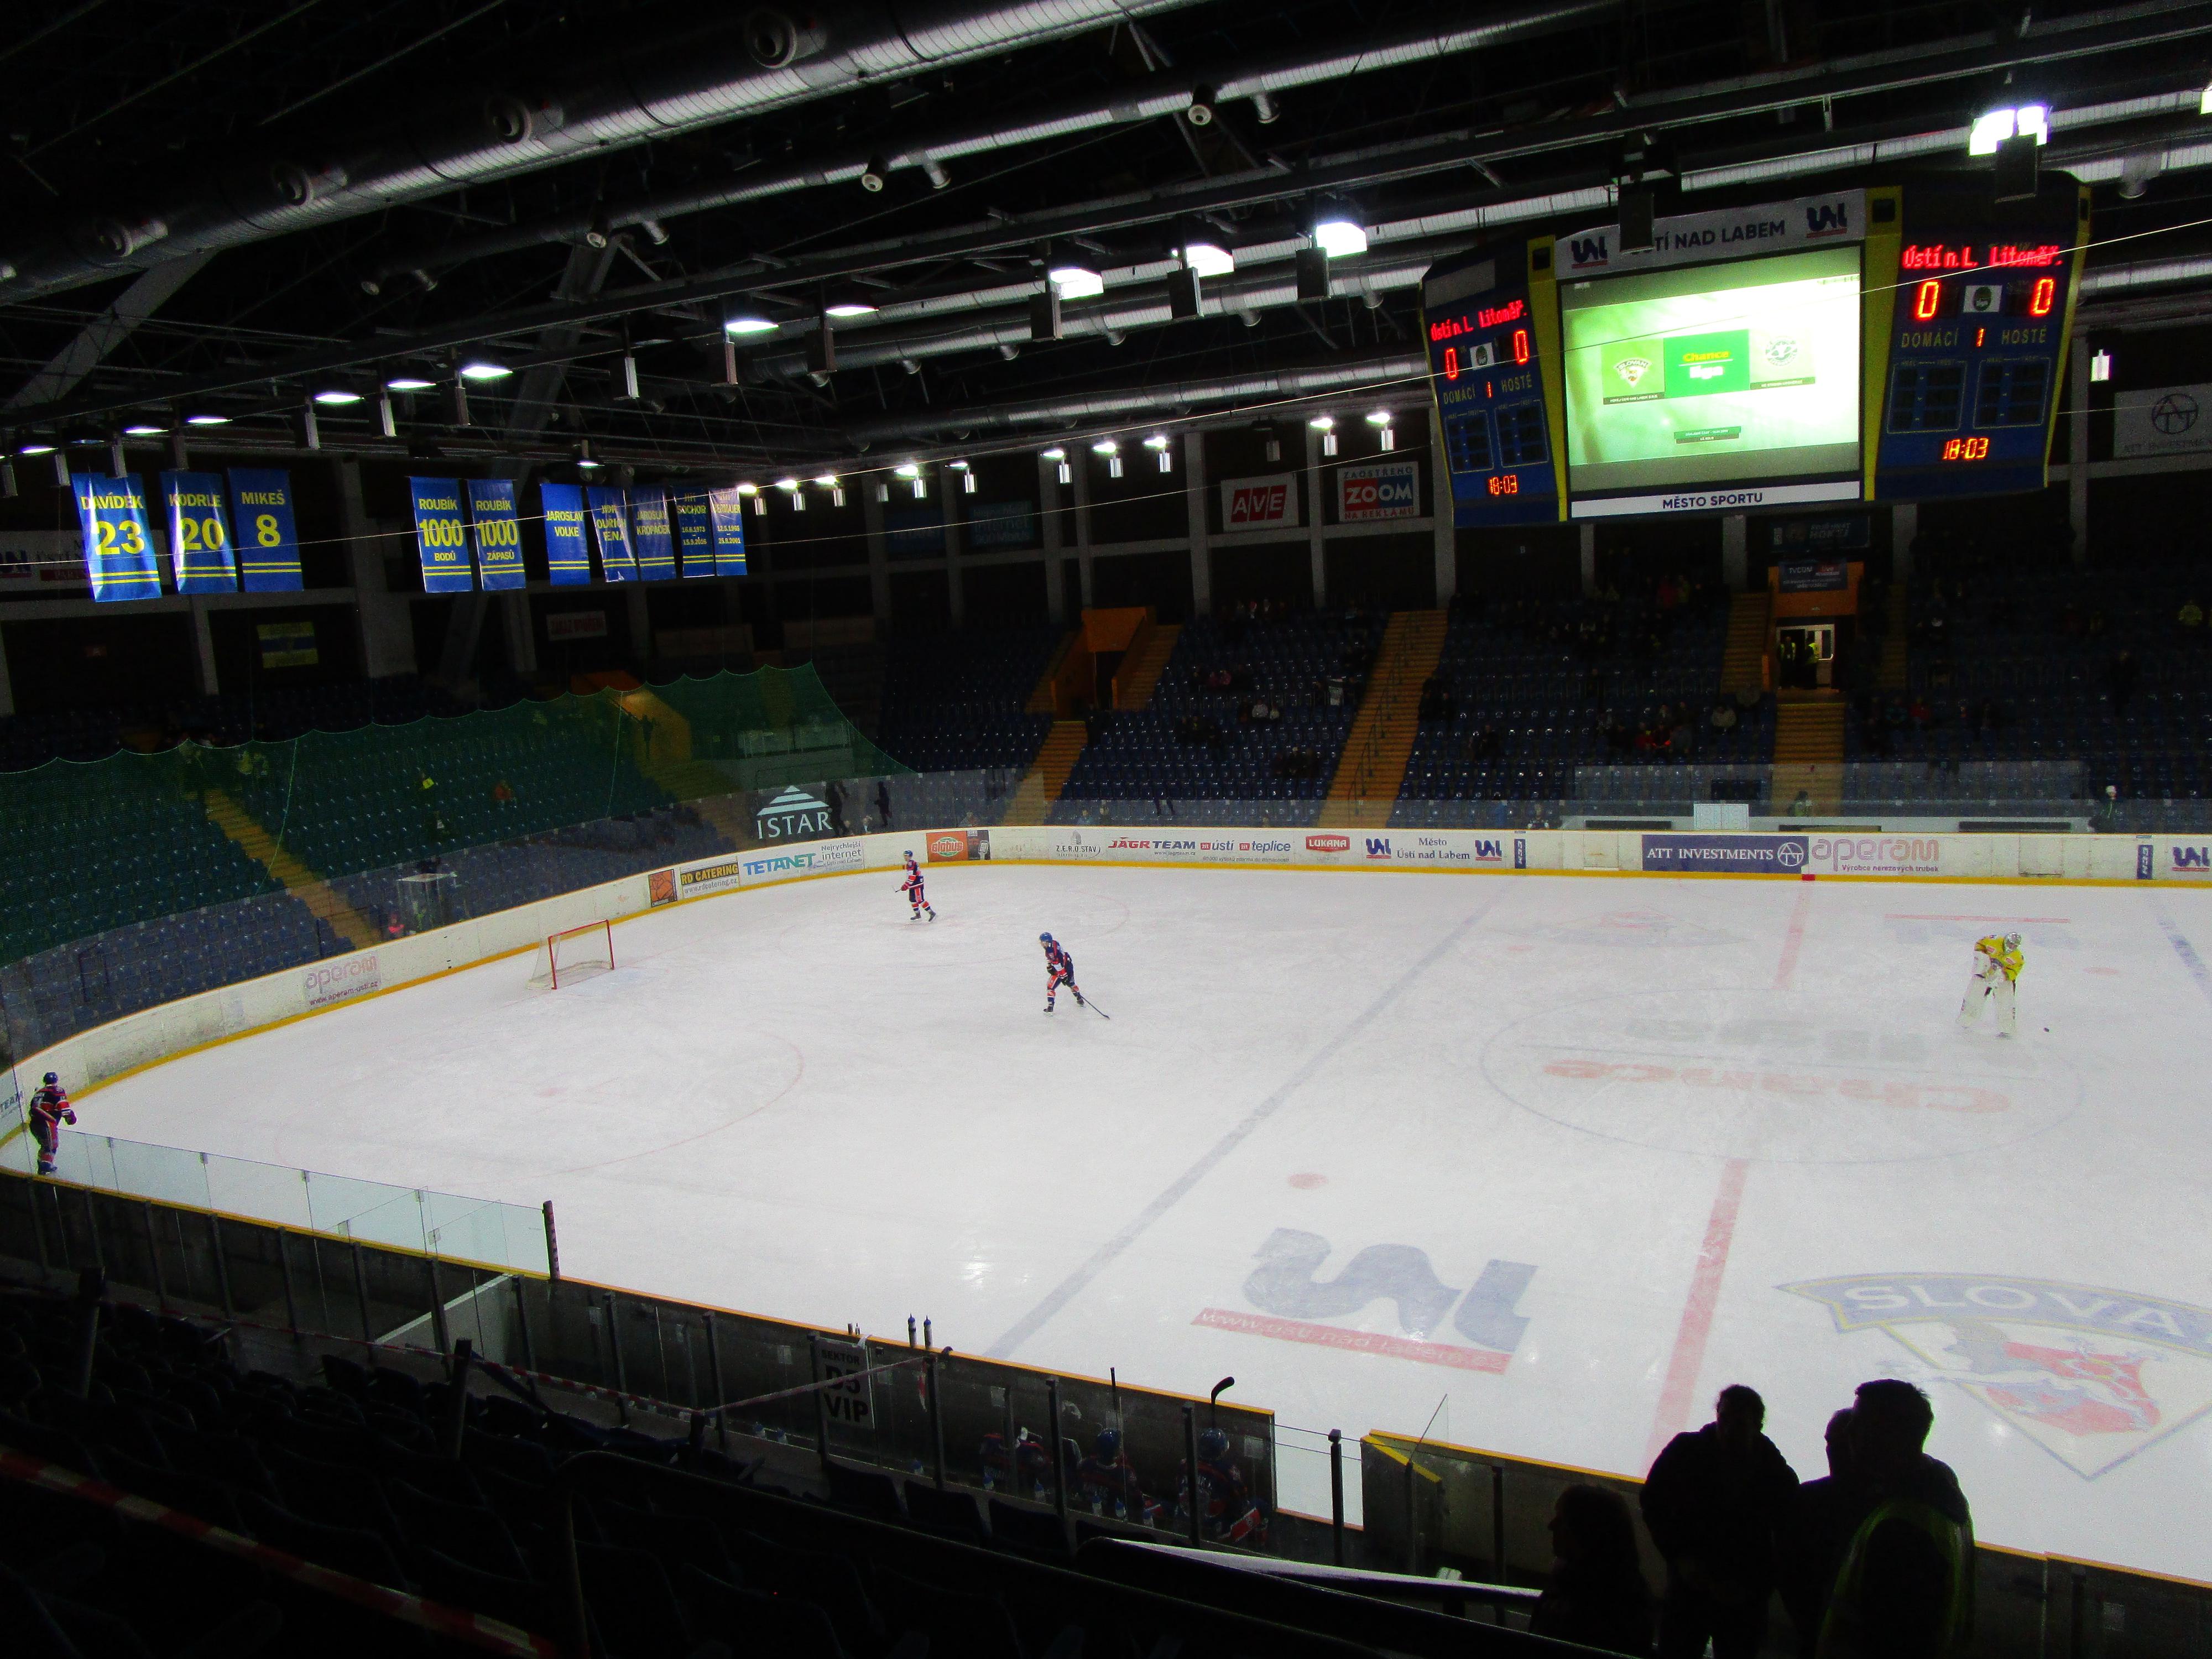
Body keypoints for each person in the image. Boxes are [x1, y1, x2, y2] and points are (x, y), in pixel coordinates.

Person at [1813, 1380, 1973, 1658]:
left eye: (1860, 1424)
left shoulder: (1901, 1528)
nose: (1848, 1431)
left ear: (1890, 1436)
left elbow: (1889, 1641)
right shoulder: (1940, 1489)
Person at [1640, 1384, 1800, 1659]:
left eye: (1737, 1423)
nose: (1726, 1430)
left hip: (1737, 1598)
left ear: (1756, 1426)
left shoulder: (1777, 1476)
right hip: (1696, 1591)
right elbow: (1653, 1502)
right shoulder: (1687, 1451)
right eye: (1724, 1419)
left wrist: (1755, 1586)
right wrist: (1679, 1558)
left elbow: (1789, 1540)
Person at [1531, 1483, 1655, 1655]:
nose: (1551, 1526)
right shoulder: (1627, 1598)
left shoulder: (1573, 1600)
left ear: (1585, 1532)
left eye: (1563, 1520)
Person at [1780, 1410, 1861, 1653]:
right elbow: (1787, 1567)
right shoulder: (1807, 1498)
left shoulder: (1809, 1497)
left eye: (1840, 1443)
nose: (1833, 1451)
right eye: (1830, 1442)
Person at [1180, 1426, 1266, 1545]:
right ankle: (1259, 1545)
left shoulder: (1185, 1465)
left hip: (1186, 1525)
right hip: (1222, 1534)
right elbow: (1241, 1502)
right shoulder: (1227, 1472)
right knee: (1262, 1506)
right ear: (1222, 1451)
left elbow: (1178, 1488)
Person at [1077, 1427, 1155, 1522]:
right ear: (1116, 1451)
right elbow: (1138, 1503)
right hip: (1114, 1522)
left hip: (1084, 1517)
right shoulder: (1125, 1473)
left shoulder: (1086, 1464)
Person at [1957, 931, 2023, 1037]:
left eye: (2015, 945)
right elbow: (1980, 944)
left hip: (2001, 980)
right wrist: (1981, 957)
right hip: (1984, 974)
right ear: (2006, 940)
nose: (2012, 946)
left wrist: (2003, 976)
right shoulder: (1993, 941)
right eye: (2011, 943)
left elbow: (2015, 971)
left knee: (2006, 1003)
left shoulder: (2018, 957)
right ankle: (1965, 1021)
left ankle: (2007, 1028)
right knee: (1973, 997)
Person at [27, 1072, 76, 1177]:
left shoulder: (39, 1092)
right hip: (47, 1123)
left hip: (34, 1124)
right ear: (56, 1081)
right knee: (51, 1146)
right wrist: (70, 1118)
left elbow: (33, 1108)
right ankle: (45, 1168)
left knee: (45, 1145)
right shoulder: (57, 1091)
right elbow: (64, 1108)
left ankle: (43, 1165)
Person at [1040, 931, 1085, 1014]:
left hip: (1062, 970)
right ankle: (1080, 999)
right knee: (1071, 984)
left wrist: (1063, 976)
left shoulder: (1050, 951)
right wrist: (1050, 966)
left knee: (1050, 987)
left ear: (1046, 942)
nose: (1042, 944)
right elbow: (1060, 957)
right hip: (1068, 965)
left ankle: (1050, 1008)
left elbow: (1057, 963)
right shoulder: (1054, 943)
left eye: (1042, 942)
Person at [898, 850, 936, 923]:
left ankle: (931, 913)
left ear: (910, 856)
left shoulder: (911, 864)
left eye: (907, 856)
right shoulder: (910, 863)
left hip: (917, 884)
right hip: (913, 884)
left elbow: (912, 876)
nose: (905, 857)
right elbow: (910, 876)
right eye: (905, 856)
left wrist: (906, 886)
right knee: (912, 899)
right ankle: (918, 914)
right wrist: (907, 885)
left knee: (920, 900)